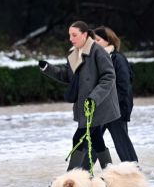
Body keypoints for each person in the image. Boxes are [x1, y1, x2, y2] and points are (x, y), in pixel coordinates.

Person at [38, 20, 120, 171]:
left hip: (98, 106)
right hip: (85, 106)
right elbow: (67, 76)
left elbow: (109, 77)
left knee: (78, 138)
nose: (71, 38)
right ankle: (110, 173)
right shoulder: (74, 54)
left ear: (84, 35)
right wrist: (48, 68)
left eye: (74, 35)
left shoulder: (97, 51)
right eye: (70, 35)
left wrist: (94, 98)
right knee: (96, 140)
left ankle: (70, 177)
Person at [94, 26, 138, 162]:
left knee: (122, 145)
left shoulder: (118, 59)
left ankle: (134, 173)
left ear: (108, 41)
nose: (94, 42)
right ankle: (77, 176)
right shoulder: (95, 59)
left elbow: (124, 86)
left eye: (98, 39)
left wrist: (113, 105)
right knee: (91, 142)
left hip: (116, 110)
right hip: (100, 110)